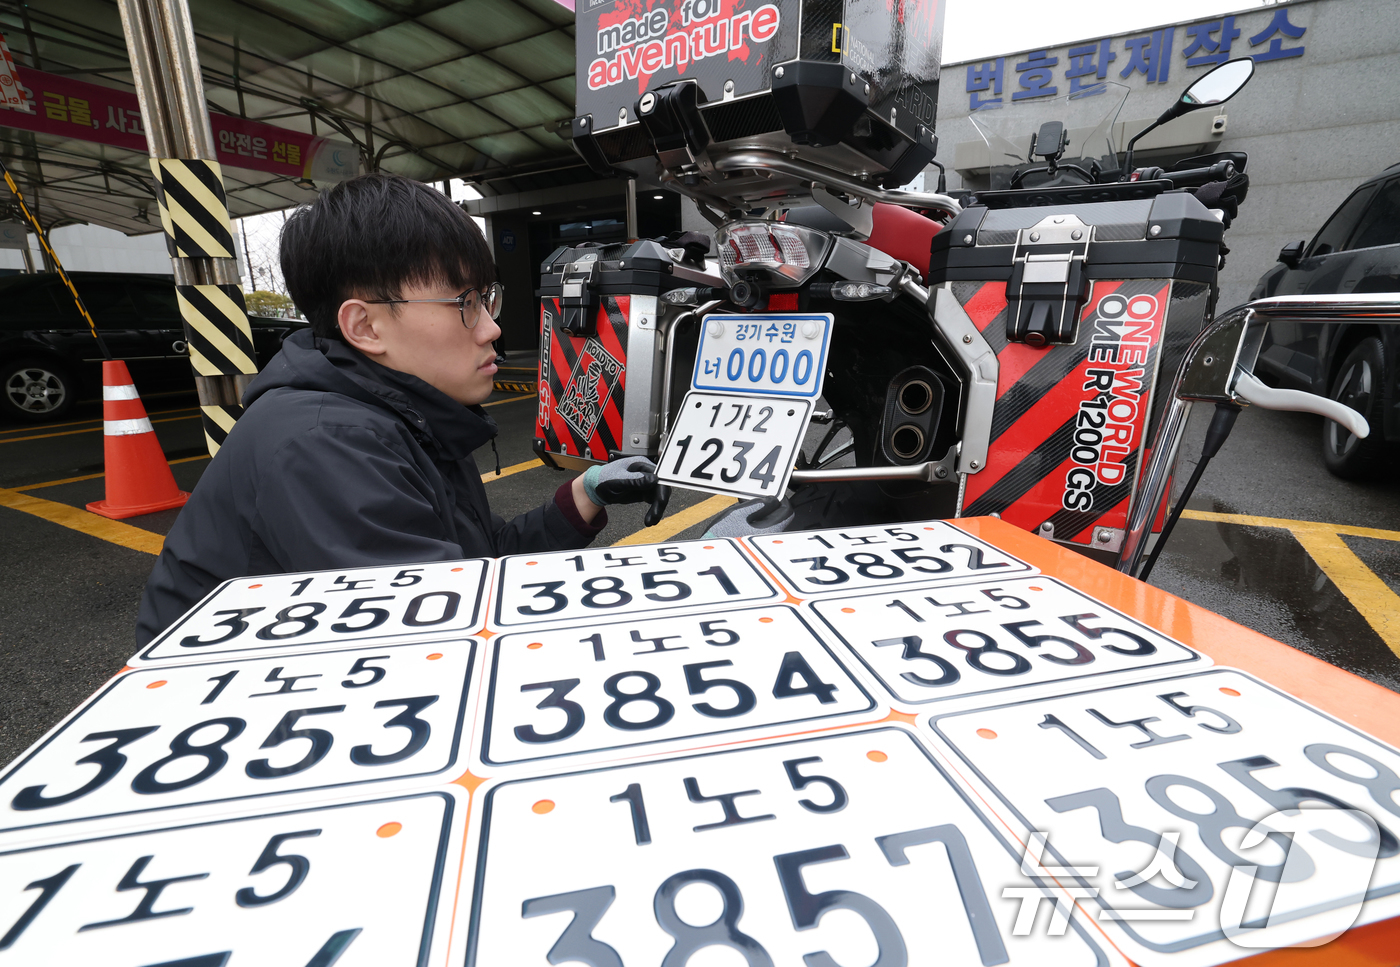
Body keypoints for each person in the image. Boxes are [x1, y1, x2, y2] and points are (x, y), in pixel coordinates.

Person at [135, 173, 659, 645]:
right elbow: (441, 633)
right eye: (464, 303)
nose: (492, 328)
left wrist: (583, 495)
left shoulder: (405, 410)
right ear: (364, 326)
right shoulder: (324, 443)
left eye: (486, 298)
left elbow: (481, 555)